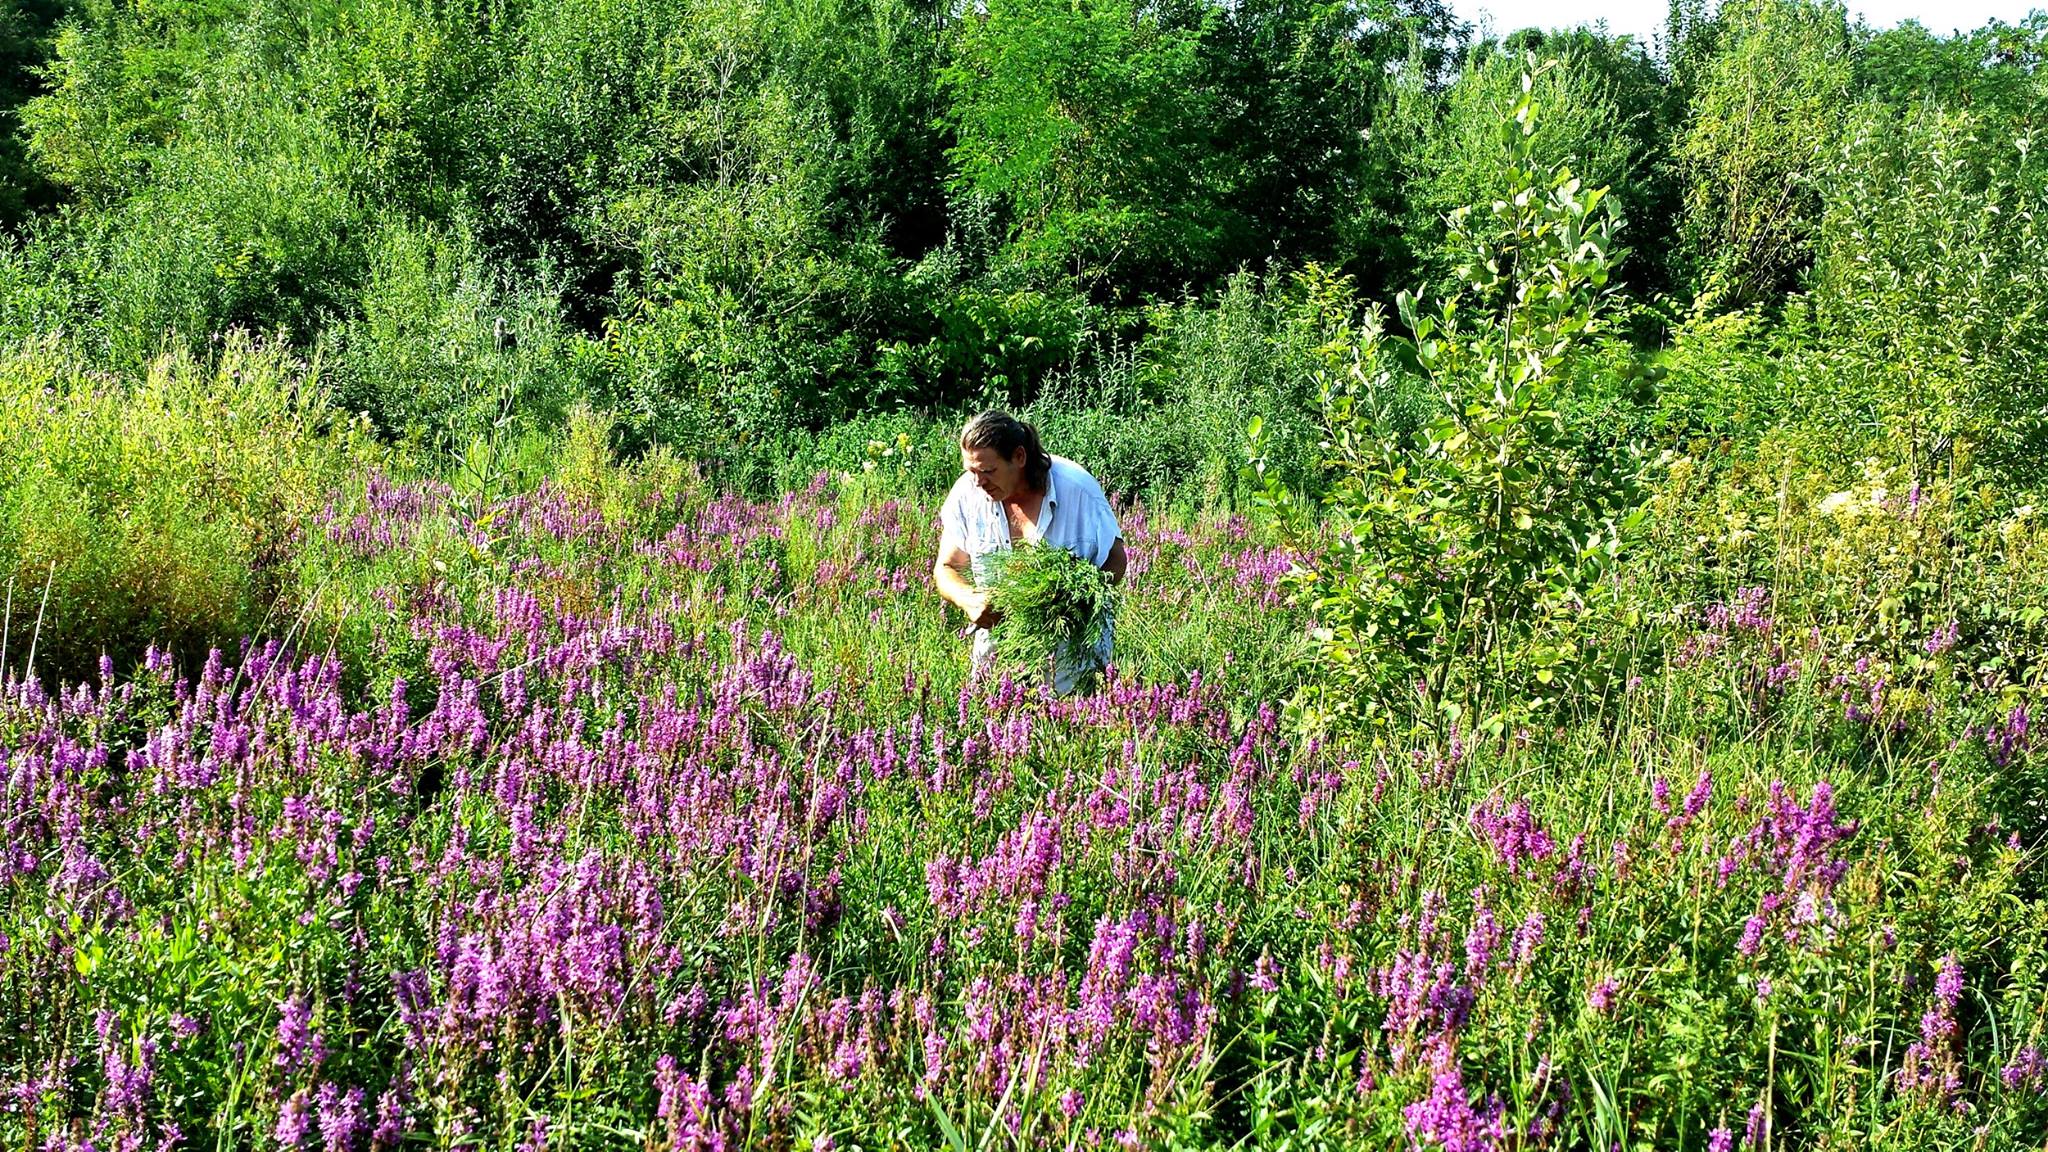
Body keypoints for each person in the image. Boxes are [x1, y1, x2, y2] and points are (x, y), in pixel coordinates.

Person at [932, 411, 1127, 692]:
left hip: (1072, 652)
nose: (978, 482)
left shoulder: (1076, 489)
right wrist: (970, 599)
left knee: (1072, 729)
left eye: (987, 471)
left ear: (1019, 457)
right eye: (970, 471)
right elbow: (946, 567)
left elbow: (1117, 559)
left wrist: (1076, 598)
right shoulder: (967, 493)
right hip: (999, 646)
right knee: (995, 725)